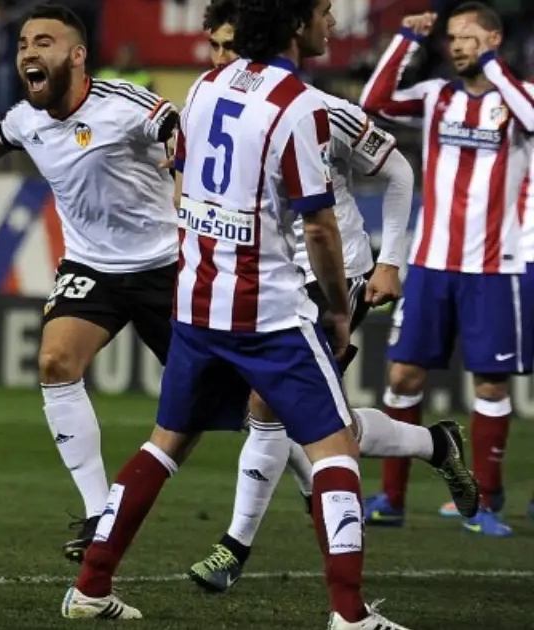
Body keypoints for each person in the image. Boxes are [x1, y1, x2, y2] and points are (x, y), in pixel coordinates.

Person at [62, 0, 412, 627]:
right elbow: (320, 227)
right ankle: (351, 615)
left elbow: (183, 184)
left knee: (164, 445)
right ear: (294, 23)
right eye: (323, 11)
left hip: (197, 305)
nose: (331, 22)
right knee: (335, 450)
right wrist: (338, 309)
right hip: (267, 313)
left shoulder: (204, 87)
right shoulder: (298, 106)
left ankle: (90, 587)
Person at [186, 0, 478, 594]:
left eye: (227, 45)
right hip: (266, 279)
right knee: (324, 424)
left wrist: (391, 261)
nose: (219, 57)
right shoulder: (216, 102)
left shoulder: (318, 108)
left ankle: (234, 548)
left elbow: (399, 173)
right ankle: (433, 443)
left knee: (267, 410)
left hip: (330, 277)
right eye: (213, 46)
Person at [0, 3, 181, 563]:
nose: (28, 53)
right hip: (92, 268)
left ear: (77, 55)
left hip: (166, 265)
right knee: (55, 361)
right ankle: (98, 514)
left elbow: (174, 125)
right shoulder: (27, 119)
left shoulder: (121, 103)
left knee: (236, 400)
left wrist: (181, 156)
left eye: (43, 42)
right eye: (22, 44)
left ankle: (321, 472)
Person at [359, 4, 534, 537]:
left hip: (493, 267)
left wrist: (494, 65)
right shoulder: (438, 96)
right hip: (432, 263)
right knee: (402, 376)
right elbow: (374, 103)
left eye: (468, 37)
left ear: (494, 39)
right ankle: (391, 499)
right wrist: (406, 42)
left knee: (490, 383)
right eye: (452, 38)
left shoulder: (517, 97)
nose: (457, 45)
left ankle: (483, 503)